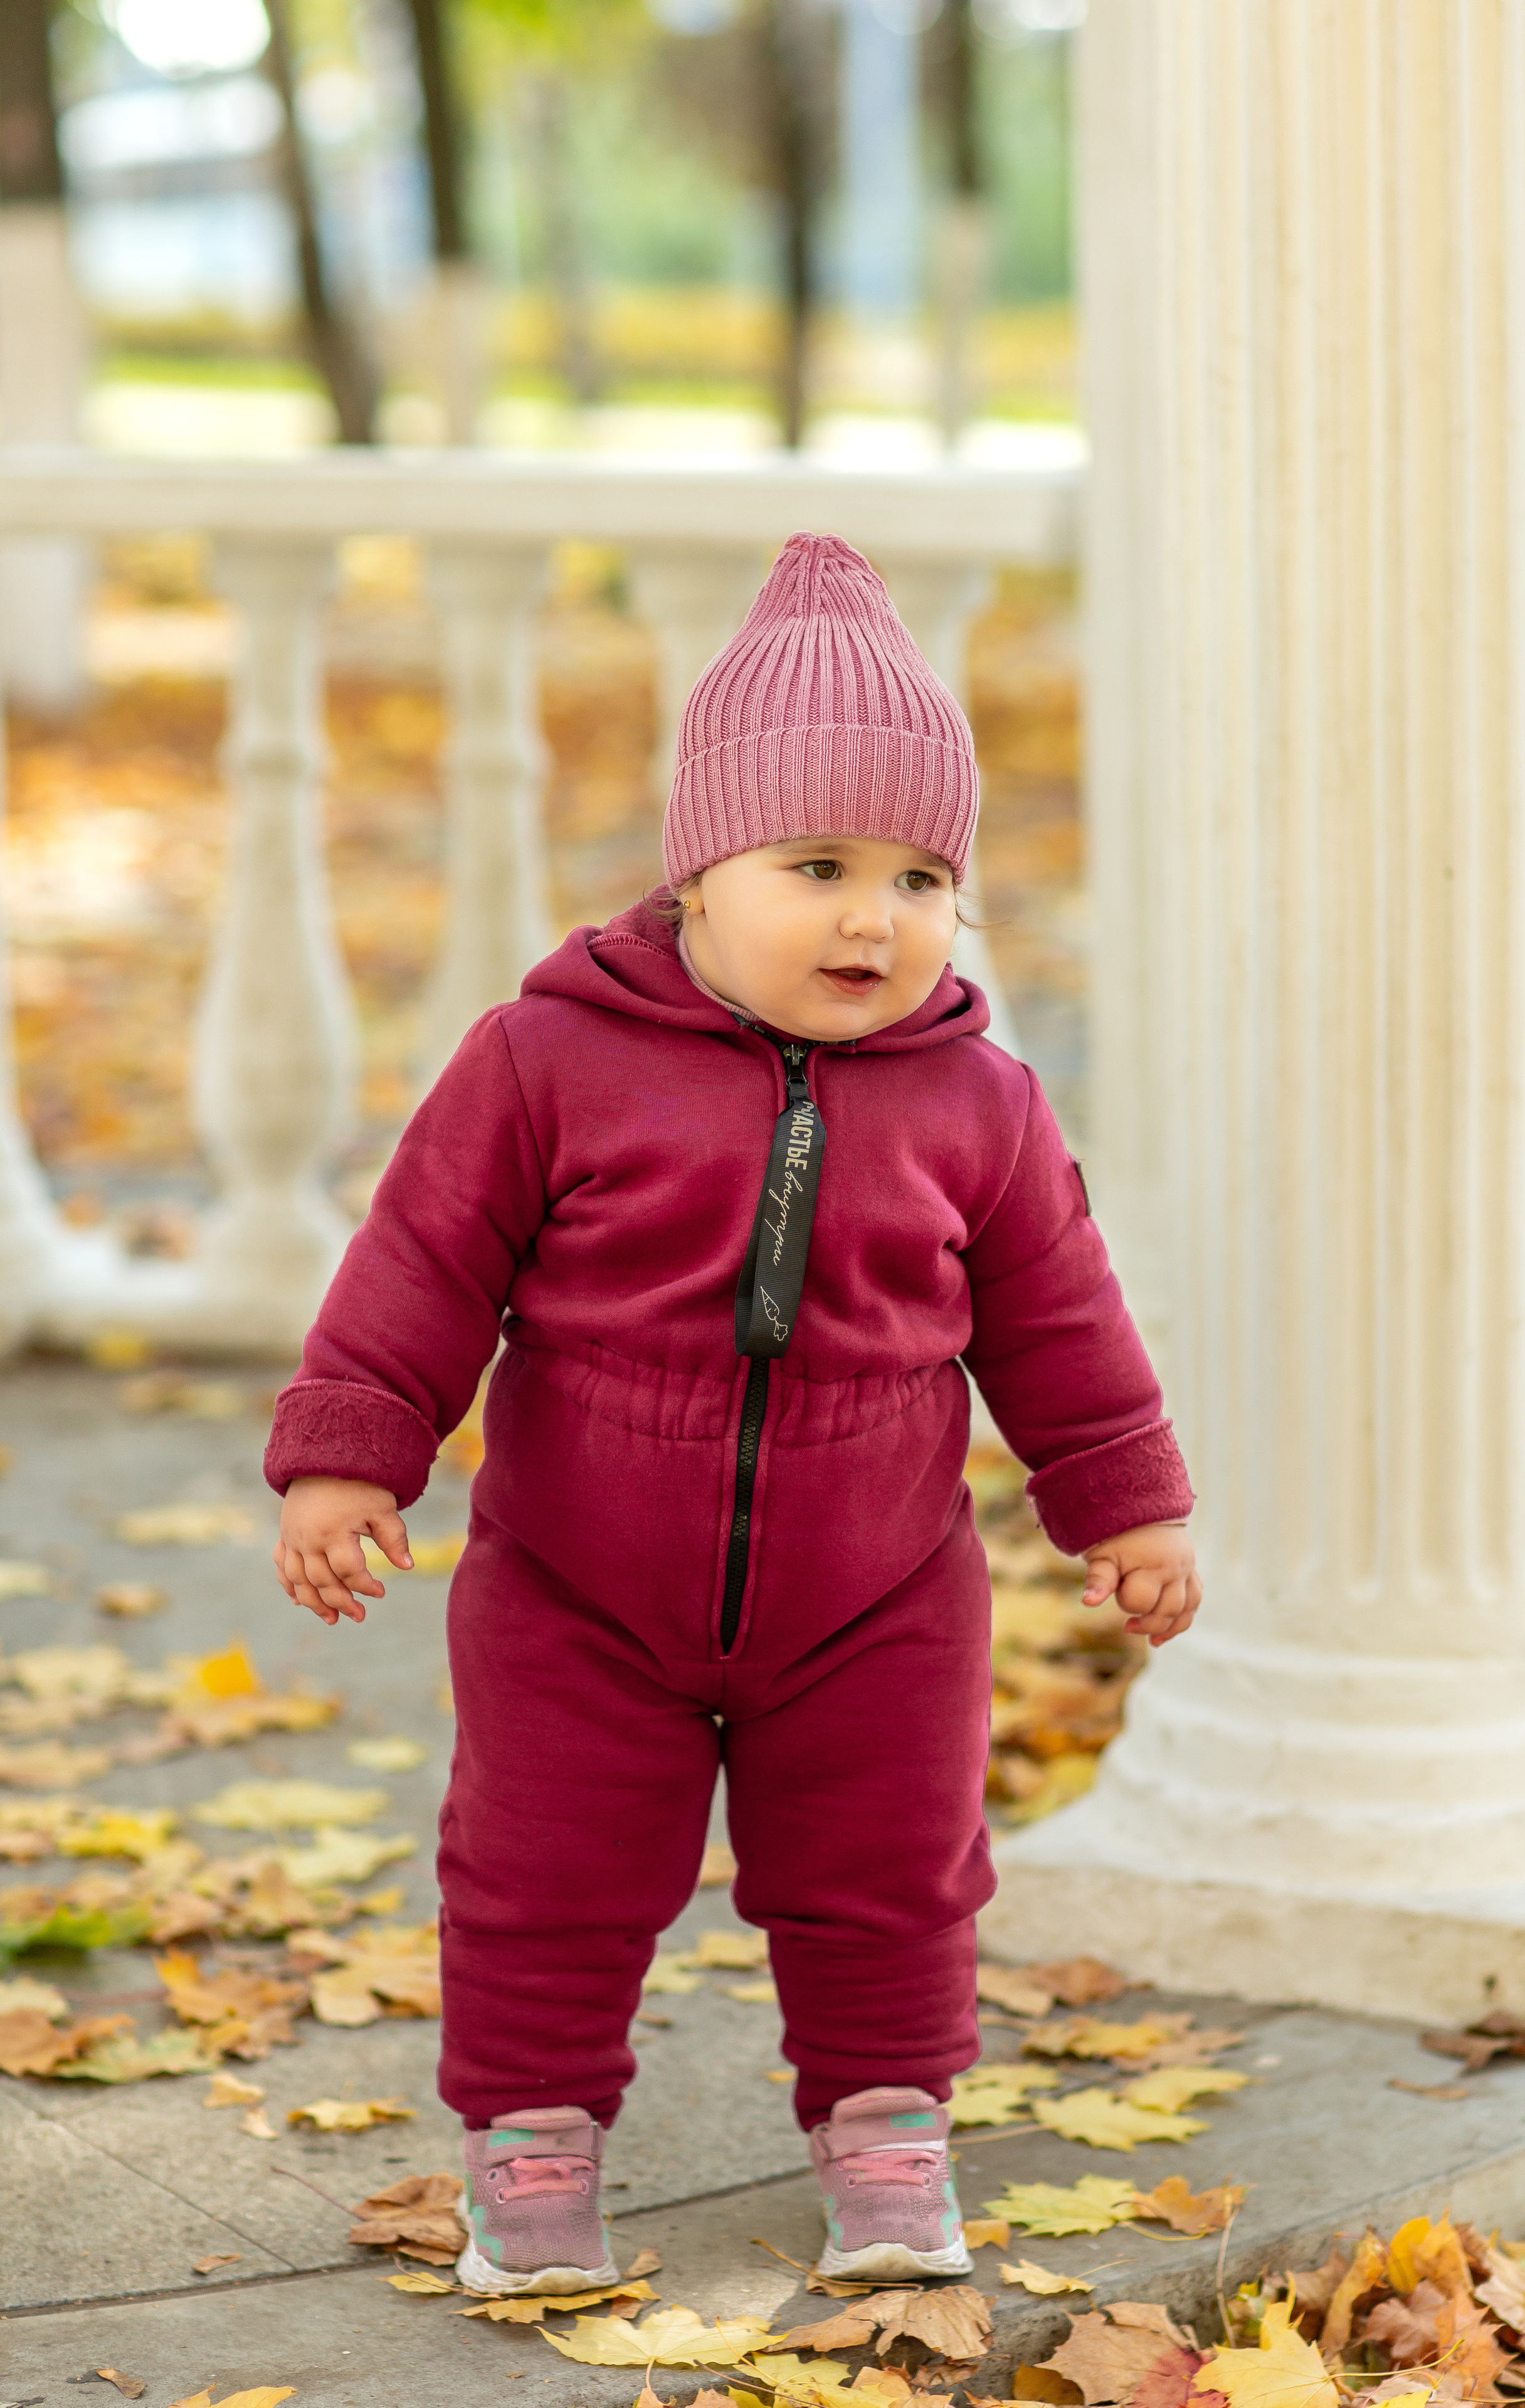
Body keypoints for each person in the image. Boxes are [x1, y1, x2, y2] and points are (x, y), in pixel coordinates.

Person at [265, 531, 1199, 2299]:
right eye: (820, 863)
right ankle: (531, 2149)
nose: (878, 915)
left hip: (879, 1597)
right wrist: (344, 1457)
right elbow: (422, 1266)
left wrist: (1128, 1504)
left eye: (928, 877)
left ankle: (889, 2138)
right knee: (541, 1870)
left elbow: (1064, 1317)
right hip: (576, 1589)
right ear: (697, 871)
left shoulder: (980, 1103)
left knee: (896, 1873)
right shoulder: (545, 1061)